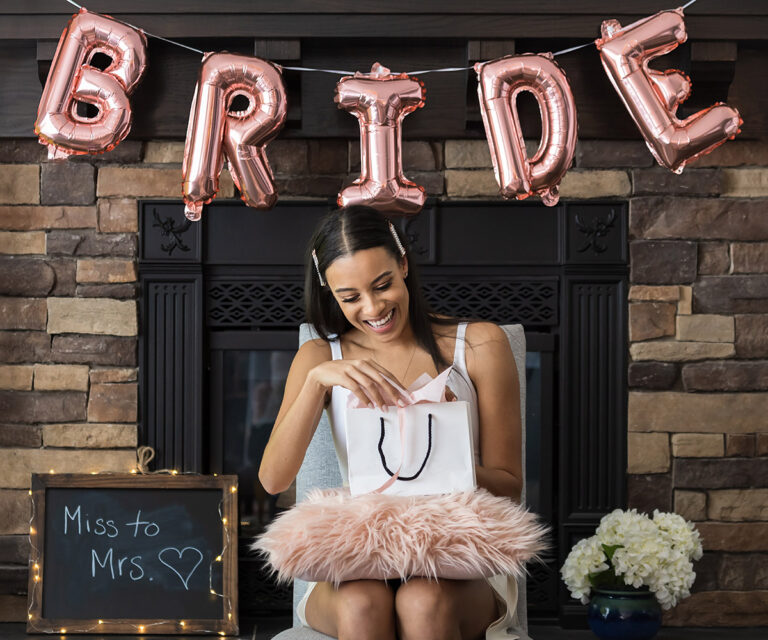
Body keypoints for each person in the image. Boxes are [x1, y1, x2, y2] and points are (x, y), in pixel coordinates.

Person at [259, 205, 524, 640]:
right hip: (361, 558)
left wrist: (441, 459)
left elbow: (510, 485)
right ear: (330, 292)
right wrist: (316, 381)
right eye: (350, 298)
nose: (373, 308)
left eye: (382, 285)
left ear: (403, 264)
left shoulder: (478, 344)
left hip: (455, 559)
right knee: (364, 603)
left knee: (422, 601)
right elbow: (273, 480)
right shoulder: (321, 356)